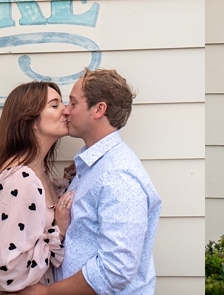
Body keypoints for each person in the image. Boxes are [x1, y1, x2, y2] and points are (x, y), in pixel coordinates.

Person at [20, 68, 161, 295]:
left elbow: (115, 270)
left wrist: (47, 293)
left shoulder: (118, 176)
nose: (66, 111)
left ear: (98, 109)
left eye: (73, 103)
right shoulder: (94, 166)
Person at [0, 81, 72, 293]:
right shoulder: (21, 180)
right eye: (54, 105)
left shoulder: (38, 173)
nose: (66, 111)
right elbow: (4, 270)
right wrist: (58, 232)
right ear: (32, 121)